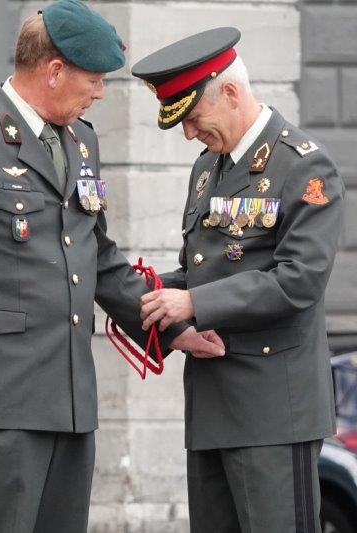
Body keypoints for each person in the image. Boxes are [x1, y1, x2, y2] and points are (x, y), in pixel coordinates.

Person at [0, 2, 222, 531]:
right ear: (53, 71)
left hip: (68, 401)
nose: (100, 93)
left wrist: (169, 328)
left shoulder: (80, 141)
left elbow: (99, 255)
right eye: (94, 80)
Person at [131, 27, 344, 533]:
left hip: (274, 409)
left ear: (230, 92)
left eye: (193, 118)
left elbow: (299, 279)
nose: (189, 134)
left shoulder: (304, 165)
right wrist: (139, 290)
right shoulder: (208, 167)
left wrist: (191, 303)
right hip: (211, 405)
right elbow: (201, 270)